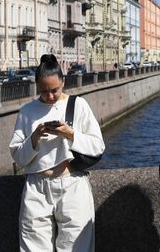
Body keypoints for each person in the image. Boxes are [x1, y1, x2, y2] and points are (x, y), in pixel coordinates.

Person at [9, 54, 105, 252]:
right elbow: (18, 156)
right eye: (44, 92)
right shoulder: (27, 111)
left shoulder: (78, 105)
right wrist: (34, 137)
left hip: (72, 185)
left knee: (77, 247)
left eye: (54, 90)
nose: (50, 96)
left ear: (63, 81)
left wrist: (70, 134)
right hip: (36, 187)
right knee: (32, 248)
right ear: (37, 86)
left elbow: (98, 146)